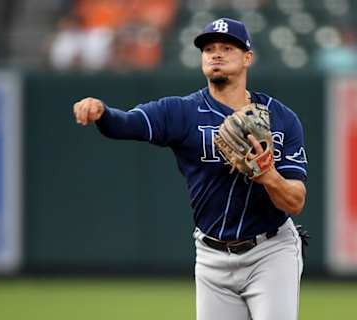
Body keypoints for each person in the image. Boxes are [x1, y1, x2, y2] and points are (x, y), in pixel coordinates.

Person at [73, 17, 307, 320]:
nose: (216, 54)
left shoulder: (281, 119)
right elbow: (127, 123)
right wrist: (102, 112)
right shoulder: (182, 112)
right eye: (209, 49)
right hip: (212, 257)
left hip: (270, 252)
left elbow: (296, 201)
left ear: (248, 58)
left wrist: (268, 176)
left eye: (227, 48)